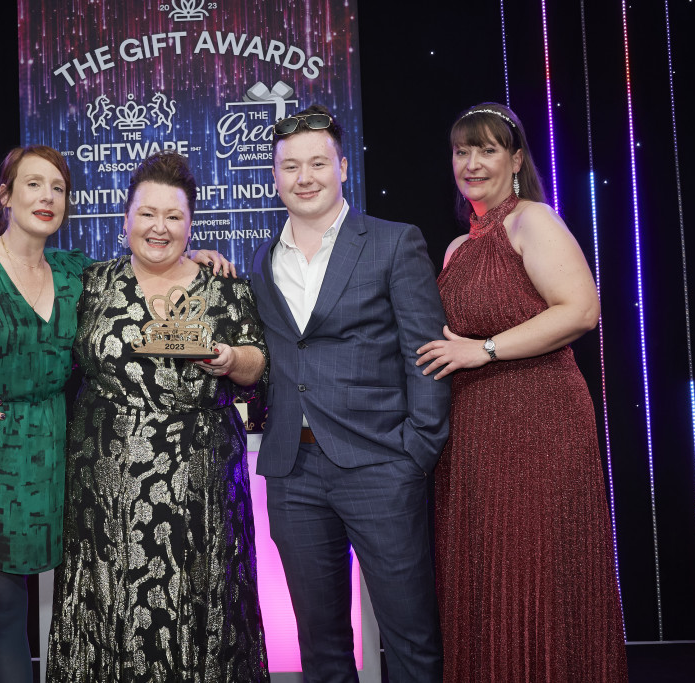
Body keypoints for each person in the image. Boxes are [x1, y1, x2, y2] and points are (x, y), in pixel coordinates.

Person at [0, 145, 230, 683]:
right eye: (34, 184)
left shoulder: (74, 272)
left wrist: (192, 260)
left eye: (58, 188)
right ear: (5, 197)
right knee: (7, 611)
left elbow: (138, 274)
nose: (47, 197)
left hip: (49, 457)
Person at [416, 102, 628, 682]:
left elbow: (581, 310)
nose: (472, 162)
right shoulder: (457, 249)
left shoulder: (534, 220)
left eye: (487, 149)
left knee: (534, 573)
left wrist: (481, 350)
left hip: (540, 419)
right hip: (473, 430)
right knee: (482, 574)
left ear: (515, 160)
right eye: (463, 151)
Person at [46, 151, 270, 682]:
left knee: (198, 601)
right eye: (147, 214)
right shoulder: (90, 283)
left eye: (174, 217)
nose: (159, 228)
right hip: (104, 490)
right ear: (125, 218)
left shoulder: (224, 285)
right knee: (109, 605)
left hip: (201, 485)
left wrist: (229, 358)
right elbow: (31, 321)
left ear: (191, 223)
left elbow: (257, 363)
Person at [249, 104, 450, 682]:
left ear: (342, 167)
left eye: (317, 162)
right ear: (275, 176)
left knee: (410, 636)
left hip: (383, 464)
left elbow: (425, 353)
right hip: (292, 471)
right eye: (290, 166)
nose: (304, 176)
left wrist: (417, 451)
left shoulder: (393, 242)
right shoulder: (263, 260)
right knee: (321, 643)